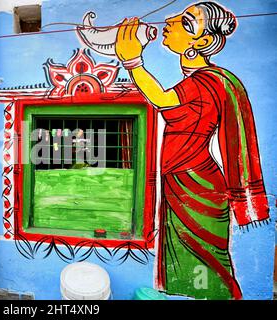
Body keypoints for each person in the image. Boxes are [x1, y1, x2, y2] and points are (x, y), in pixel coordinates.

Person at [115, 1, 269, 299]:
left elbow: (161, 99)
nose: (169, 20)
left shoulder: (205, 83)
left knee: (208, 270)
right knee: (194, 268)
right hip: (186, 183)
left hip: (195, 186)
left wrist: (133, 61)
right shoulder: (205, 81)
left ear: (203, 42)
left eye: (185, 22)